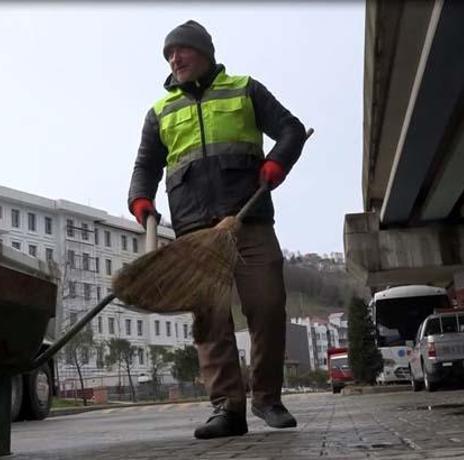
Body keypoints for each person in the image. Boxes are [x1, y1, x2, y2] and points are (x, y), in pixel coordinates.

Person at [127, 20, 306, 439]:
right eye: (169, 54)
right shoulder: (160, 112)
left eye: (182, 50)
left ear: (204, 52)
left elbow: (291, 130)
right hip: (194, 231)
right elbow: (145, 167)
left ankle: (266, 398)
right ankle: (227, 408)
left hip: (249, 220)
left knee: (266, 304)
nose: (175, 58)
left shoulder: (244, 88)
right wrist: (141, 202)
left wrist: (276, 163)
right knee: (210, 319)